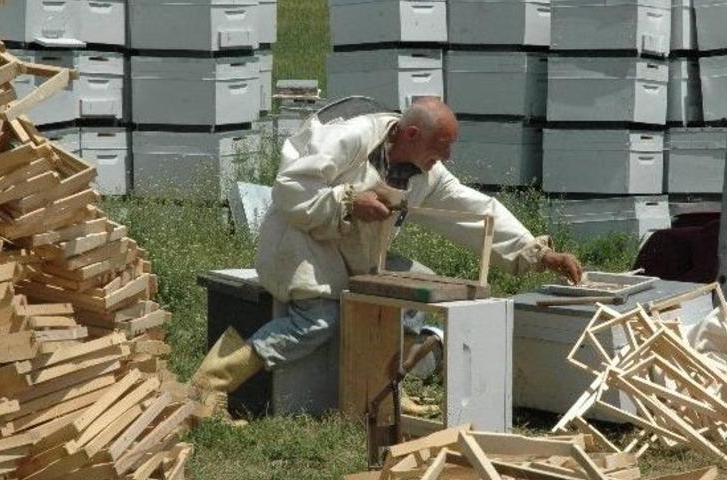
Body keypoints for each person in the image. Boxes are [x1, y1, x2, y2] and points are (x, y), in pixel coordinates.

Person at [191, 97, 583, 415]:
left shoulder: (427, 172)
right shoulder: (351, 138)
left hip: (360, 253)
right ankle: (207, 386)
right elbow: (291, 189)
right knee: (317, 321)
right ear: (411, 134)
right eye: (439, 148)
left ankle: (386, 395)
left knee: (413, 295)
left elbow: (476, 210)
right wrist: (347, 201)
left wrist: (537, 252)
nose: (444, 158)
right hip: (302, 243)